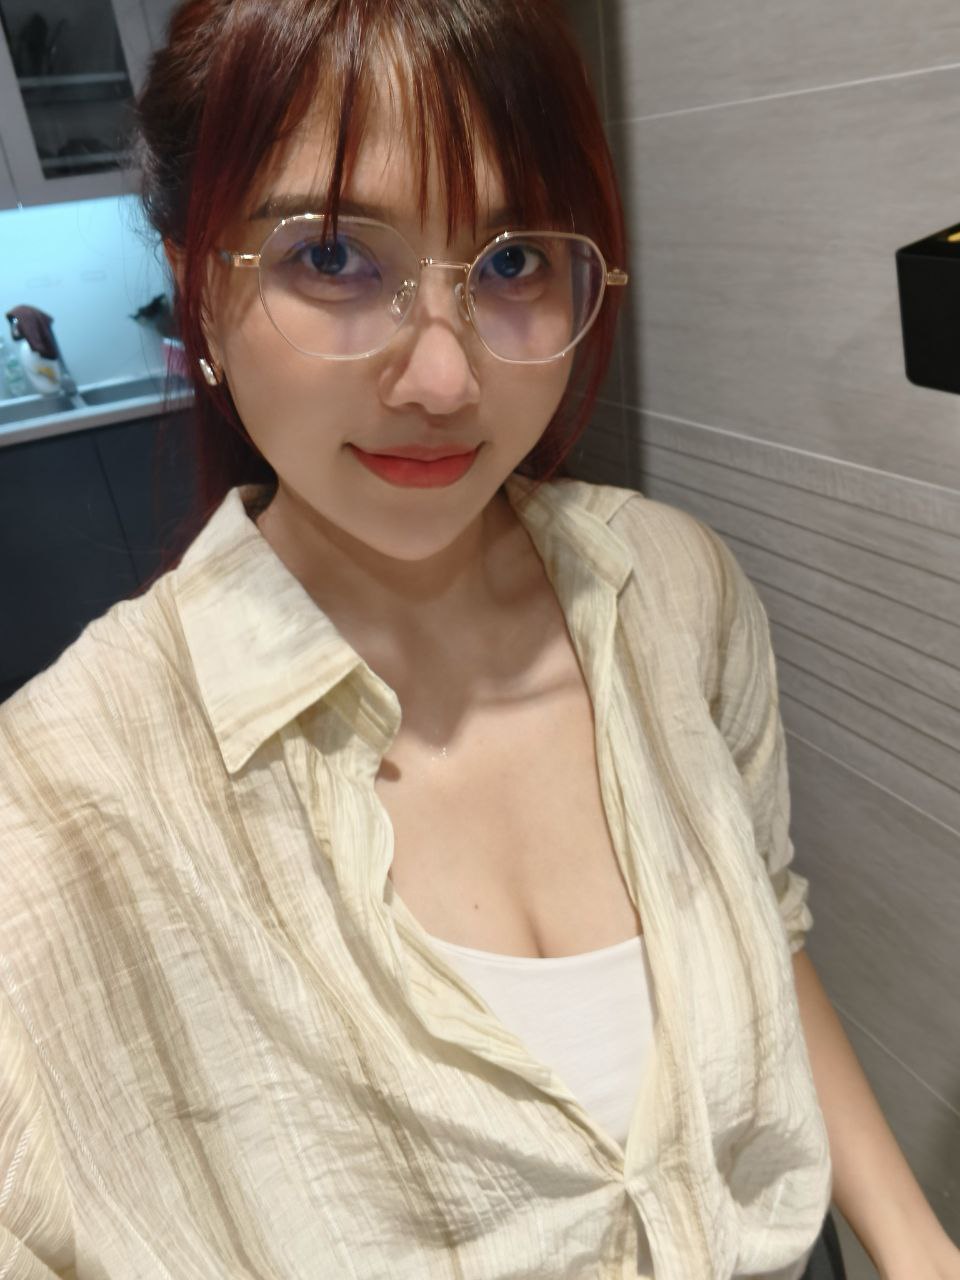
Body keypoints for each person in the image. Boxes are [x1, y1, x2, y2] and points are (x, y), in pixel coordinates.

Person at [2, 2, 958, 1278]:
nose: (443, 381)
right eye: (332, 254)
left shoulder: (675, 589)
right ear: (201, 290)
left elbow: (769, 931)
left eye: (511, 262)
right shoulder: (53, 810)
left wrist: (917, 1241)